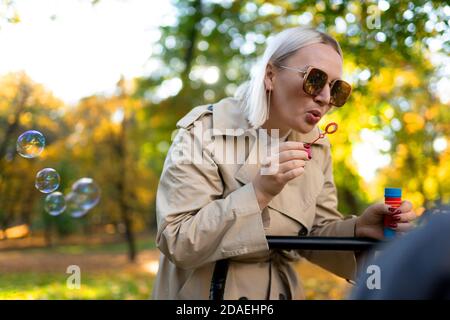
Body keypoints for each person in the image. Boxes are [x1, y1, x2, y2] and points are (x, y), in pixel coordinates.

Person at [152, 26, 417, 300]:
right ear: (270, 75)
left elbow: (314, 233)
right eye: (315, 79)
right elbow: (177, 239)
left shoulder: (318, 146)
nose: (325, 98)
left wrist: (358, 229)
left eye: (336, 88)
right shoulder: (204, 132)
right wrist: (259, 193)